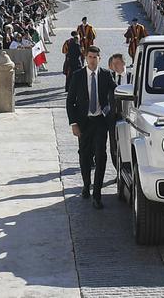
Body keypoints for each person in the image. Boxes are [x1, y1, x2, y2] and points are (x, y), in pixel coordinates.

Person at [65, 46, 116, 209]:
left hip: (101, 121)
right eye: (90, 57)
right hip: (84, 123)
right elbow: (70, 101)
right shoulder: (78, 76)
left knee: (101, 155)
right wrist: (74, 123)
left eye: (95, 57)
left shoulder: (106, 75)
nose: (92, 60)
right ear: (85, 58)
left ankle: (97, 194)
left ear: (100, 58)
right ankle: (86, 185)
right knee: (85, 156)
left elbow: (116, 93)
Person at [108, 52, 129, 165]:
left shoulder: (133, 77)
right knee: (114, 145)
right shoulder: (109, 77)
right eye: (113, 63)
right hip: (113, 116)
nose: (115, 66)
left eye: (117, 63)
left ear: (124, 63)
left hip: (128, 117)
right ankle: (117, 169)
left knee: (127, 143)